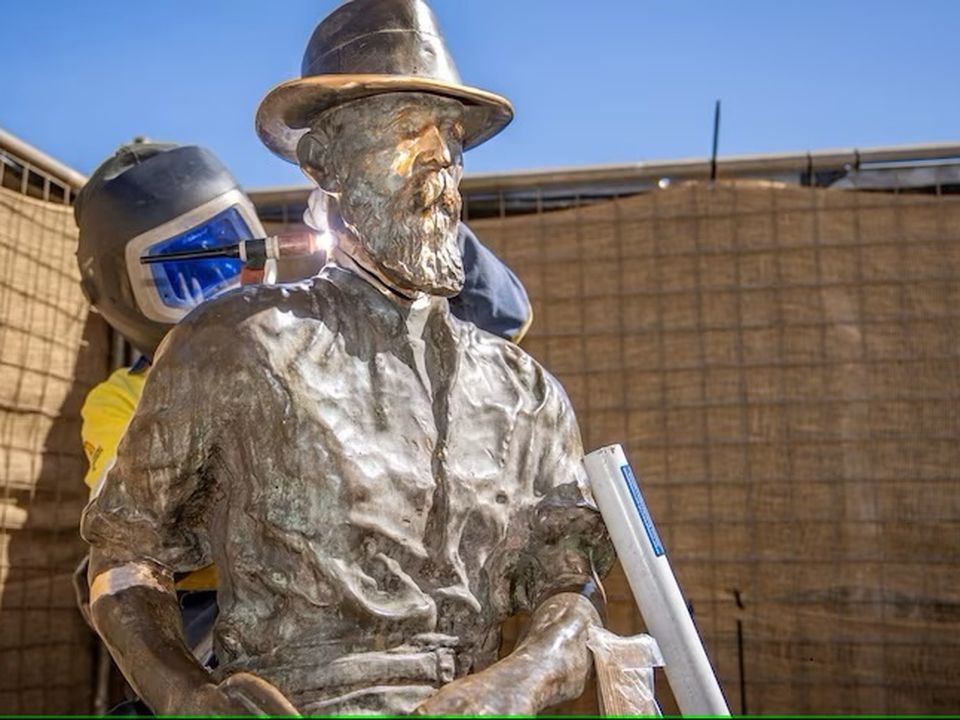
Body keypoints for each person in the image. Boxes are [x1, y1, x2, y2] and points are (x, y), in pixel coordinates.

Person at [80, 0, 612, 715]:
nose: (440, 158)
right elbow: (123, 555)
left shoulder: (526, 394)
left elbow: (571, 590)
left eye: (450, 135)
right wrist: (186, 697)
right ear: (324, 159)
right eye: (403, 130)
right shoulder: (237, 345)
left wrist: (509, 687)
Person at [73, 137, 533, 710]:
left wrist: (396, 215)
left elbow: (502, 317)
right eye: (186, 279)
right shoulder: (121, 398)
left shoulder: (311, 339)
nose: (218, 288)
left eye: (227, 254)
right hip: (221, 623)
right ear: (118, 294)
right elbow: (142, 531)